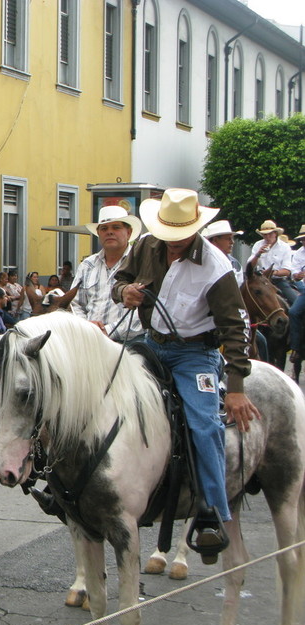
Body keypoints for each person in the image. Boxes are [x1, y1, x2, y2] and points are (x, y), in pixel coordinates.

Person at [112, 188, 259, 564]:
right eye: (167, 234)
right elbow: (120, 280)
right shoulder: (146, 245)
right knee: (106, 392)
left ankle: (211, 513)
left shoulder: (216, 268)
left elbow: (235, 331)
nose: (171, 243)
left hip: (195, 355)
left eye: (179, 236)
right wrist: (125, 291)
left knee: (204, 425)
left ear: (195, 230)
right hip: (150, 341)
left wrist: (237, 388)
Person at [70, 205, 145, 342]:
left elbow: (142, 312)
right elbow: (75, 304)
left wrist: (108, 331)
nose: (109, 232)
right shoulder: (87, 265)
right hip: (90, 341)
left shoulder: (142, 264)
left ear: (128, 232)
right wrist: (87, 327)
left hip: (128, 343)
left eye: (116, 227)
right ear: (98, 233)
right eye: (104, 228)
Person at [202, 219, 269, 361]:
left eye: (232, 238)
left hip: (230, 314)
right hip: (207, 318)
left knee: (260, 341)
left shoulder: (234, 264)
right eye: (228, 239)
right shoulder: (202, 263)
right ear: (214, 240)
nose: (232, 242)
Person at [250, 220, 298, 306]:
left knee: (295, 303)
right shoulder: (258, 245)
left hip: (278, 281)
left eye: (270, 234)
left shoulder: (284, 247)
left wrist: (273, 272)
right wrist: (258, 254)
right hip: (259, 280)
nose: (267, 236)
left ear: (275, 233)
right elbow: (250, 266)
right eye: (265, 234)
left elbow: (287, 271)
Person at [286, 226, 305, 363]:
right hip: (304, 288)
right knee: (293, 312)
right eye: (302, 239)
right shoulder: (299, 253)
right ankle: (296, 347)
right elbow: (294, 273)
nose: (304, 241)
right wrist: (297, 275)